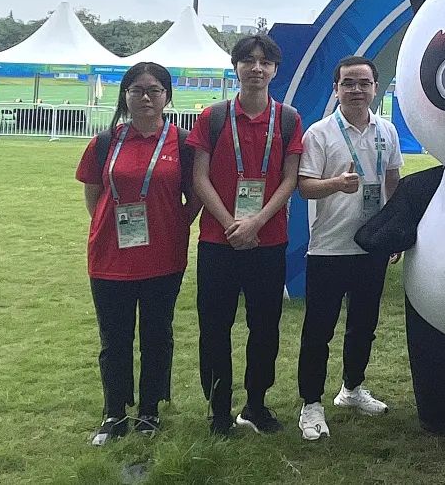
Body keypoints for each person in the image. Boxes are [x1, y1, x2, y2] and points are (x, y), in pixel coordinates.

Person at [187, 34, 303, 437]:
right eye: (248, 61)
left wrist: (256, 223)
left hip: (268, 241)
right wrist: (230, 224)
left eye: (265, 62)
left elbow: (290, 180)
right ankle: (218, 411)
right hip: (217, 241)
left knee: (265, 327)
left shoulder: (288, 118)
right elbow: (199, 177)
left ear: (275, 69)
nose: (257, 68)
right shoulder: (213, 117)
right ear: (235, 66)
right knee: (214, 328)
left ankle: (256, 404)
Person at [76, 62, 198, 446]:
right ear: (125, 95)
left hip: (163, 257)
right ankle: (114, 412)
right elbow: (94, 196)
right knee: (114, 338)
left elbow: (195, 195)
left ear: (167, 96)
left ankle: (149, 410)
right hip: (109, 258)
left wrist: (175, 224)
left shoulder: (182, 143)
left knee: (157, 335)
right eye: (136, 90)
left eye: (154, 90)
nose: (145, 97)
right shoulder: (105, 142)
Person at [296, 56, 403, 441]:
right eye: (348, 83)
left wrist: (393, 231)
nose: (356, 90)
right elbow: (304, 187)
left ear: (375, 87)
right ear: (336, 89)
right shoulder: (319, 133)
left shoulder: (387, 130)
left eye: (363, 83)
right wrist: (336, 185)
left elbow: (393, 181)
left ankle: (352, 389)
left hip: (371, 247)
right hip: (329, 248)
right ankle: (311, 404)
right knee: (318, 330)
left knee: (363, 326)